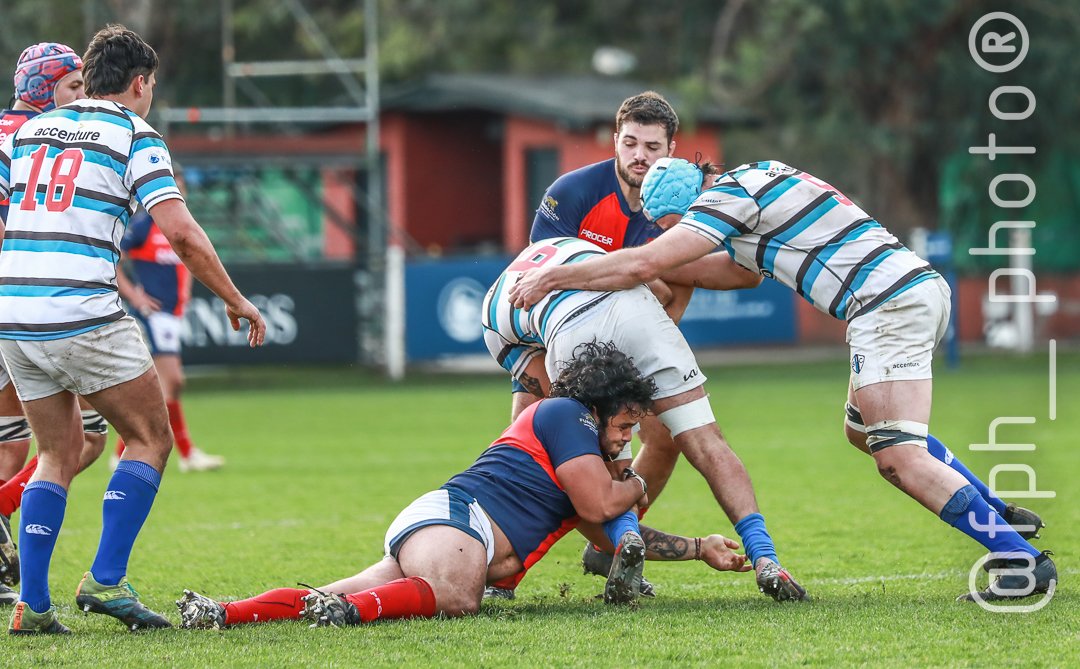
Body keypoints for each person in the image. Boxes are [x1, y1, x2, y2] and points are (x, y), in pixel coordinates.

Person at [508, 157, 1057, 602]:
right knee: (865, 434)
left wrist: (561, 273)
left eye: (677, 228)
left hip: (884, 306)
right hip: (911, 290)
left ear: (691, 204)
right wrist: (654, 262)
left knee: (896, 455)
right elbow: (738, 272)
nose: (680, 237)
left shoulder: (723, 200)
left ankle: (1018, 561)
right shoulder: (761, 178)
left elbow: (643, 265)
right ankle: (997, 513)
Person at [176, 342, 751, 630]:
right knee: (457, 598)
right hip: (459, 520)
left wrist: (699, 548)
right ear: (596, 411)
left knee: (339, 589)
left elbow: (606, 536)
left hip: (445, 525)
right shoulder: (564, 415)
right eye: (625, 425)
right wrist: (634, 487)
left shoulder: (582, 462)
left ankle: (223, 613)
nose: (627, 439)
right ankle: (351, 614)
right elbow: (605, 503)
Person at [0, 24, 266, 635]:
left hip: (15, 314)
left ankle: (32, 606)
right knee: (150, 437)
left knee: (54, 453)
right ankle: (105, 581)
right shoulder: (134, 135)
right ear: (140, 83)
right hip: (79, 311)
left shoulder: (33, 129)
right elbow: (181, 233)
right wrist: (235, 299)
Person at [498, 91, 763, 599]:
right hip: (559, 339)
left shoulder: (685, 208)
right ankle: (505, 573)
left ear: (672, 149)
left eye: (653, 146)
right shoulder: (573, 192)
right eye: (630, 142)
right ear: (615, 141)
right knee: (529, 442)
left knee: (664, 437)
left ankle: (617, 546)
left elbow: (737, 276)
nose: (640, 155)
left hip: (636, 347)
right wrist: (639, 270)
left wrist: (655, 267)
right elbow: (542, 268)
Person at [484, 237, 806, 602]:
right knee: (707, 442)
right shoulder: (613, 246)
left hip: (558, 322)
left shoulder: (503, 318)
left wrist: (626, 480)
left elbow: (589, 497)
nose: (629, 433)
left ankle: (516, 576)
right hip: (637, 307)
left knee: (553, 457)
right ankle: (765, 557)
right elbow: (661, 289)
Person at [0, 42, 112, 606]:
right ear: (45, 89)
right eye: (72, 87)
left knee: (13, 448)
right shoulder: (32, 137)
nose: (82, 97)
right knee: (85, 439)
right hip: (29, 304)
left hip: (14, 308)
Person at [111, 166, 225, 473]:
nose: (179, 192)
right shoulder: (145, 224)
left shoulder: (181, 225)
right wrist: (134, 296)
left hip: (171, 314)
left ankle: (123, 449)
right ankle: (186, 453)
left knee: (163, 385)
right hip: (153, 312)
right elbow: (113, 258)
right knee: (171, 380)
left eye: (181, 186)